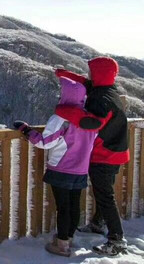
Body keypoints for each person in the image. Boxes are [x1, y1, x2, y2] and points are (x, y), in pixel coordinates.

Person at [14, 76, 101, 257]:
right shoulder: (89, 118)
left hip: (61, 168)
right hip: (81, 169)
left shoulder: (61, 118)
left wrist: (26, 130)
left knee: (63, 207)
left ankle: (61, 245)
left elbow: (44, 142)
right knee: (74, 205)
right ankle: (68, 237)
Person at [54, 56, 129, 256]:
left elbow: (91, 122)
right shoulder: (107, 90)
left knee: (105, 196)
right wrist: (63, 74)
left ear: (98, 73)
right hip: (117, 150)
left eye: (91, 72)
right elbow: (84, 82)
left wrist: (63, 111)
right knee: (103, 192)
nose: (88, 75)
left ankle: (116, 239)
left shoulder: (102, 99)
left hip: (104, 154)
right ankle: (98, 223)